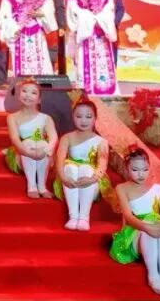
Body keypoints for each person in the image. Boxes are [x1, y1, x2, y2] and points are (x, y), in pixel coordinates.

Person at [109, 147, 160, 295]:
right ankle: (153, 276)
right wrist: (147, 228)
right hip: (134, 232)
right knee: (150, 229)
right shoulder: (122, 188)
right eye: (135, 170)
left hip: (156, 228)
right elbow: (129, 217)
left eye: (145, 169)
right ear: (127, 168)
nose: (141, 174)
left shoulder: (158, 189)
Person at [66, 0, 119, 95]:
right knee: (84, 62)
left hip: (101, 31)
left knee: (103, 64)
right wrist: (90, 19)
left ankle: (106, 93)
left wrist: (99, 19)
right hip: (85, 32)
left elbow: (110, 8)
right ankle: (85, 94)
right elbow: (72, 10)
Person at [55, 95, 109, 231]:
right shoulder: (66, 138)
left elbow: (102, 164)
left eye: (88, 117)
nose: (83, 121)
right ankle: (73, 216)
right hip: (69, 179)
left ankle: (84, 218)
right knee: (70, 167)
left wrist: (92, 178)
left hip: (92, 180)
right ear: (73, 117)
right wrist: (63, 177)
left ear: (95, 118)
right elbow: (59, 160)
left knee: (86, 168)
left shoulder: (101, 141)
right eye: (79, 116)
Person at [5, 78, 58, 199]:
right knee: (28, 142)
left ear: (39, 99)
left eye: (33, 93)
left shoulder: (46, 118)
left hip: (43, 154)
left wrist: (45, 151)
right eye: (24, 91)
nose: (28, 95)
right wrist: (28, 152)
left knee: (42, 143)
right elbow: (15, 139)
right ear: (19, 95)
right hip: (21, 154)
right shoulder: (12, 117)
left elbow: (54, 138)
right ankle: (32, 186)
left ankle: (42, 187)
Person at [34, 0, 67, 72]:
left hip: (49, 24)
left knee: (51, 52)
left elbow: (59, 6)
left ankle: (50, 75)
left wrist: (61, 26)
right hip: (34, 25)